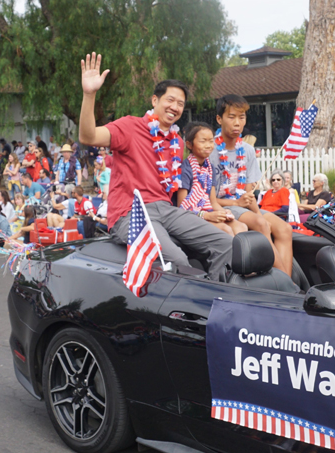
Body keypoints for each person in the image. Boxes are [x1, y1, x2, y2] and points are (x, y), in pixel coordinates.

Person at [78, 52, 232, 281]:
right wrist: (89, 94)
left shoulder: (177, 143)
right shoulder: (129, 126)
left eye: (180, 104)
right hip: (131, 212)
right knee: (177, 261)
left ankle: (218, 297)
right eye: (170, 100)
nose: (175, 107)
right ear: (154, 101)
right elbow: (88, 136)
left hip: (166, 210)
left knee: (227, 243)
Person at [209, 93, 292, 276]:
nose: (237, 123)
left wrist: (253, 208)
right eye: (231, 117)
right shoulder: (210, 151)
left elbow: (248, 193)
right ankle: (289, 285)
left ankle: (286, 279)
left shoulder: (247, 150)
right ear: (219, 119)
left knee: (285, 228)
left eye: (242, 117)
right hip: (221, 206)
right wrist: (241, 207)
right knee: (261, 224)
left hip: (242, 205)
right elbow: (208, 199)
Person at [177, 122, 247, 237]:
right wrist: (207, 216)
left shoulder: (210, 168)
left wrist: (223, 213)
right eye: (203, 141)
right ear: (189, 145)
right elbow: (182, 206)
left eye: (210, 141)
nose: (208, 145)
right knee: (226, 230)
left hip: (207, 212)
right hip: (191, 217)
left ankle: (241, 255)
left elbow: (213, 202)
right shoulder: (185, 169)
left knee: (241, 227)